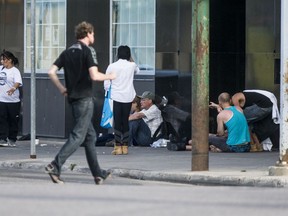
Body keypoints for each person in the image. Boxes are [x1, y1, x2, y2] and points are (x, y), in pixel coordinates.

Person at [45, 21, 116, 184]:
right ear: (88, 33)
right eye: (93, 34)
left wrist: (62, 88)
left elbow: (51, 72)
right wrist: (110, 76)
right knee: (78, 135)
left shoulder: (68, 51)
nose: (94, 36)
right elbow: (95, 76)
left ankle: (98, 174)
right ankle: (55, 165)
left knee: (90, 137)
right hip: (84, 98)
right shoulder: (87, 51)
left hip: (73, 99)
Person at [104, 45, 139, 155]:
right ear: (128, 54)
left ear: (118, 54)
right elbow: (138, 71)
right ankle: (125, 146)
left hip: (116, 96)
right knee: (125, 120)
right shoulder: (132, 65)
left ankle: (117, 146)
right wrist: (131, 59)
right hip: (128, 96)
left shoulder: (112, 66)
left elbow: (106, 83)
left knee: (118, 121)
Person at [0, 51, 22, 147]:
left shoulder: (15, 71)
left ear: (10, 60)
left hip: (13, 100)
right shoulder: (0, 69)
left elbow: (18, 82)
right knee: (2, 119)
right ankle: (2, 138)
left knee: (13, 120)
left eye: (4, 59)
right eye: (1, 59)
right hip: (1, 99)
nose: (2, 61)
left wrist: (13, 88)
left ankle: (12, 138)